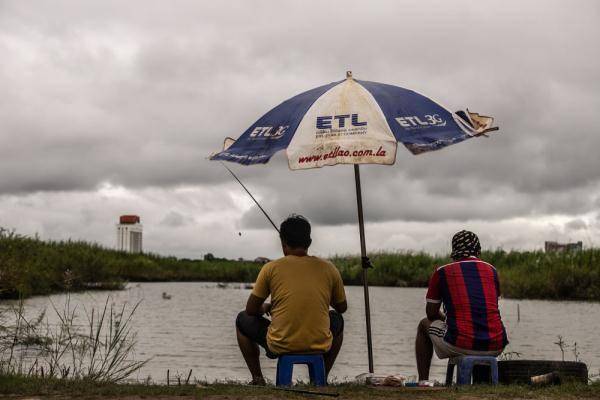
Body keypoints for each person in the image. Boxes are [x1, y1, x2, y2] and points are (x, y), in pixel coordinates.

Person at [235, 214, 347, 385]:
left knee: (242, 319)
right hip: (320, 343)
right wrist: (324, 296)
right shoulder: (329, 268)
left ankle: (257, 379)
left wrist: (266, 307)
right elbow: (341, 307)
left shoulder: (270, 268)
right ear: (309, 242)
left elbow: (251, 310)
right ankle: (320, 379)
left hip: (280, 344)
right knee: (338, 320)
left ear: (283, 243)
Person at [415, 230, 508, 383]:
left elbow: (431, 313)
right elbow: (485, 308)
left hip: (460, 343)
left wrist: (446, 319)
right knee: (477, 331)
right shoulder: (492, 270)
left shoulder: (442, 272)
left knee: (423, 324)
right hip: (496, 344)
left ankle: (423, 381)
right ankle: (481, 383)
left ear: (454, 252)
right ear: (478, 251)